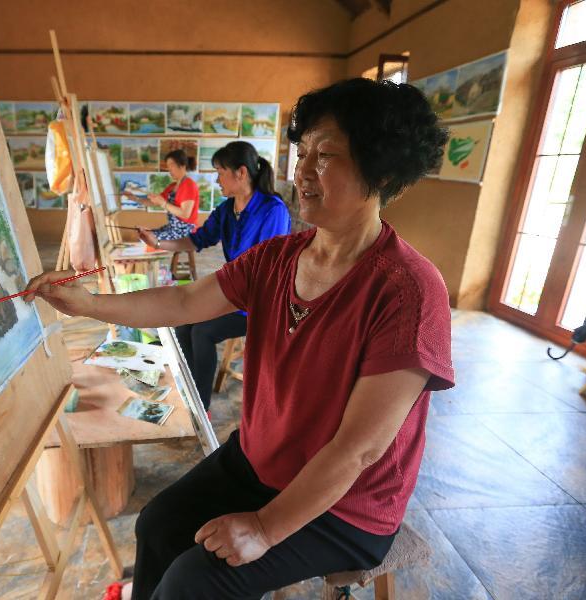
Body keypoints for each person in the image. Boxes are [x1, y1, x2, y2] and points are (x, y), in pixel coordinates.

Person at [25, 78, 454, 599]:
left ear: (382, 171)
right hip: (260, 462)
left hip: (346, 505)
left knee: (195, 580)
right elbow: (185, 303)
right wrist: (89, 303)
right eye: (302, 153)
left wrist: (266, 528)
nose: (303, 171)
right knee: (157, 524)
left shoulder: (408, 290)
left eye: (326, 156)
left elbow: (359, 450)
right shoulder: (279, 258)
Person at [138, 141, 290, 412]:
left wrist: (217, 291)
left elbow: (268, 269)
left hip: (259, 302)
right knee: (183, 324)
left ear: (241, 173)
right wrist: (157, 242)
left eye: (220, 172)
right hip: (233, 292)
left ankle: (201, 408)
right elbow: (197, 240)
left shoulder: (272, 210)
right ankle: (191, 391)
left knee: (203, 332)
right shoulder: (227, 209)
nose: (217, 179)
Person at [124, 149, 199, 241]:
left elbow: (185, 214)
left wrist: (163, 203)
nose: (169, 169)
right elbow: (153, 203)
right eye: (168, 166)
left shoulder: (189, 185)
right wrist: (135, 198)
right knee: (145, 233)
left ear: (182, 166)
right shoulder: (172, 186)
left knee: (149, 238)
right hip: (172, 228)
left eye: (172, 165)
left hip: (185, 231)